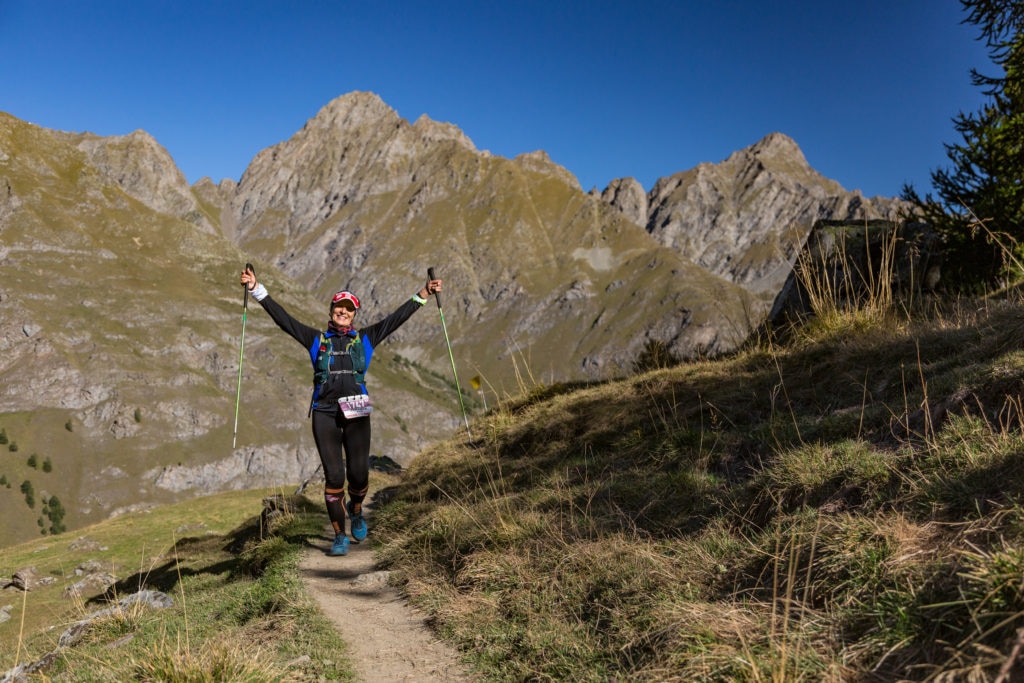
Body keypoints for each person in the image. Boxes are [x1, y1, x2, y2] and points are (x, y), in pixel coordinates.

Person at [239, 265, 442, 556]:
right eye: (339, 307)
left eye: (348, 309)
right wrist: (257, 289)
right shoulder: (316, 340)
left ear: (354, 314)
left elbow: (396, 318)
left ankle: (356, 508)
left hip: (357, 409)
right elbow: (284, 320)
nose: (343, 312)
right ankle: (339, 535)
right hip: (324, 412)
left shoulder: (366, 339)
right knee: (335, 476)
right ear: (332, 310)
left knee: (358, 474)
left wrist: (424, 293)